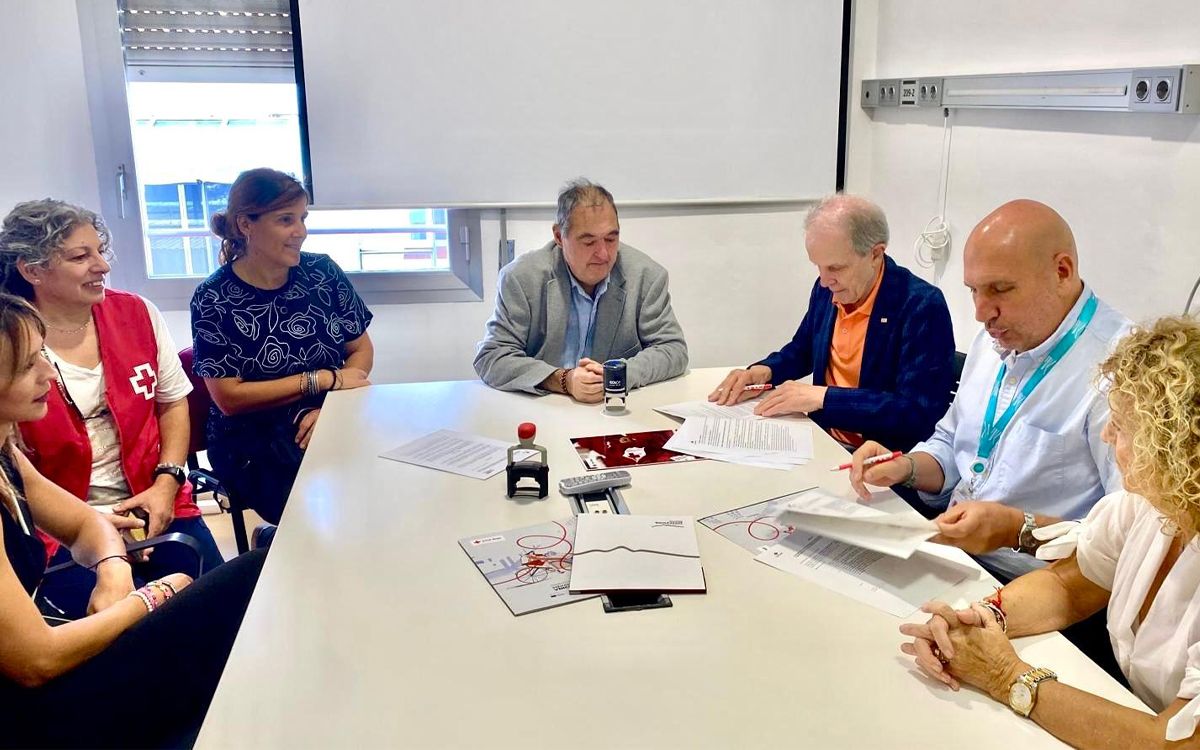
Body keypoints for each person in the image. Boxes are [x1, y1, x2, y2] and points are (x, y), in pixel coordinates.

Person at [899, 317, 1200, 748]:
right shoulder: (1148, 508)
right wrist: (980, 621)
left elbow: (1180, 744)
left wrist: (1007, 677)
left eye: (1122, 425)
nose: (1106, 434)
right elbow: (1069, 585)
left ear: (1176, 446)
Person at [0, 293, 267, 749]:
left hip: (42, 680)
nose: (49, 374)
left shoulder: (6, 457)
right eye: (29, 367)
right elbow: (36, 660)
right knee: (243, 581)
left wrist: (113, 569)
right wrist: (153, 595)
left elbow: (87, 525)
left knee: (244, 587)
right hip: (29, 716)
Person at [850, 199, 1131, 581]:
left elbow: (1130, 537)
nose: (982, 313)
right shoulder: (998, 337)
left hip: (1038, 580)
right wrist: (906, 468)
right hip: (953, 549)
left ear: (1062, 272)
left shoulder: (1123, 371)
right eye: (973, 291)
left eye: (999, 289)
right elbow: (953, 443)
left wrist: (1015, 529)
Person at [0, 199, 222, 619]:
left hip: (156, 499)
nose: (102, 265)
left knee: (222, 610)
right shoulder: (12, 339)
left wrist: (168, 482)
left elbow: (172, 402)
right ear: (32, 270)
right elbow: (15, 470)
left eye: (100, 250)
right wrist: (96, 530)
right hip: (60, 526)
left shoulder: (136, 313)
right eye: (81, 256)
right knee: (132, 640)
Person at [191, 168, 374, 532]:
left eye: (303, 219)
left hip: (326, 415)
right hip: (250, 440)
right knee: (328, 508)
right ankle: (288, 552)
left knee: (383, 481)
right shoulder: (214, 297)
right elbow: (230, 397)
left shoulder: (322, 272)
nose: (300, 232)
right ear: (246, 224)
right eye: (286, 220)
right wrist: (320, 380)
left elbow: (361, 351)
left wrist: (331, 409)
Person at [708, 194, 955, 451]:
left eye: (835, 268)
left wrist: (824, 398)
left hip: (878, 457)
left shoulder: (920, 305)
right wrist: (764, 372)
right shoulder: (828, 289)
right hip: (821, 440)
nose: (824, 281)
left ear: (875, 254)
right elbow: (803, 349)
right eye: (819, 267)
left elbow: (916, 412)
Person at [473, 178, 687, 402]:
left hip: (613, 411)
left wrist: (615, 376)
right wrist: (564, 380)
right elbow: (492, 357)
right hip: (546, 407)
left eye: (611, 239)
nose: (604, 254)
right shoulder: (521, 278)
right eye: (589, 242)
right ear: (558, 237)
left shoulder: (646, 276)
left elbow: (674, 350)